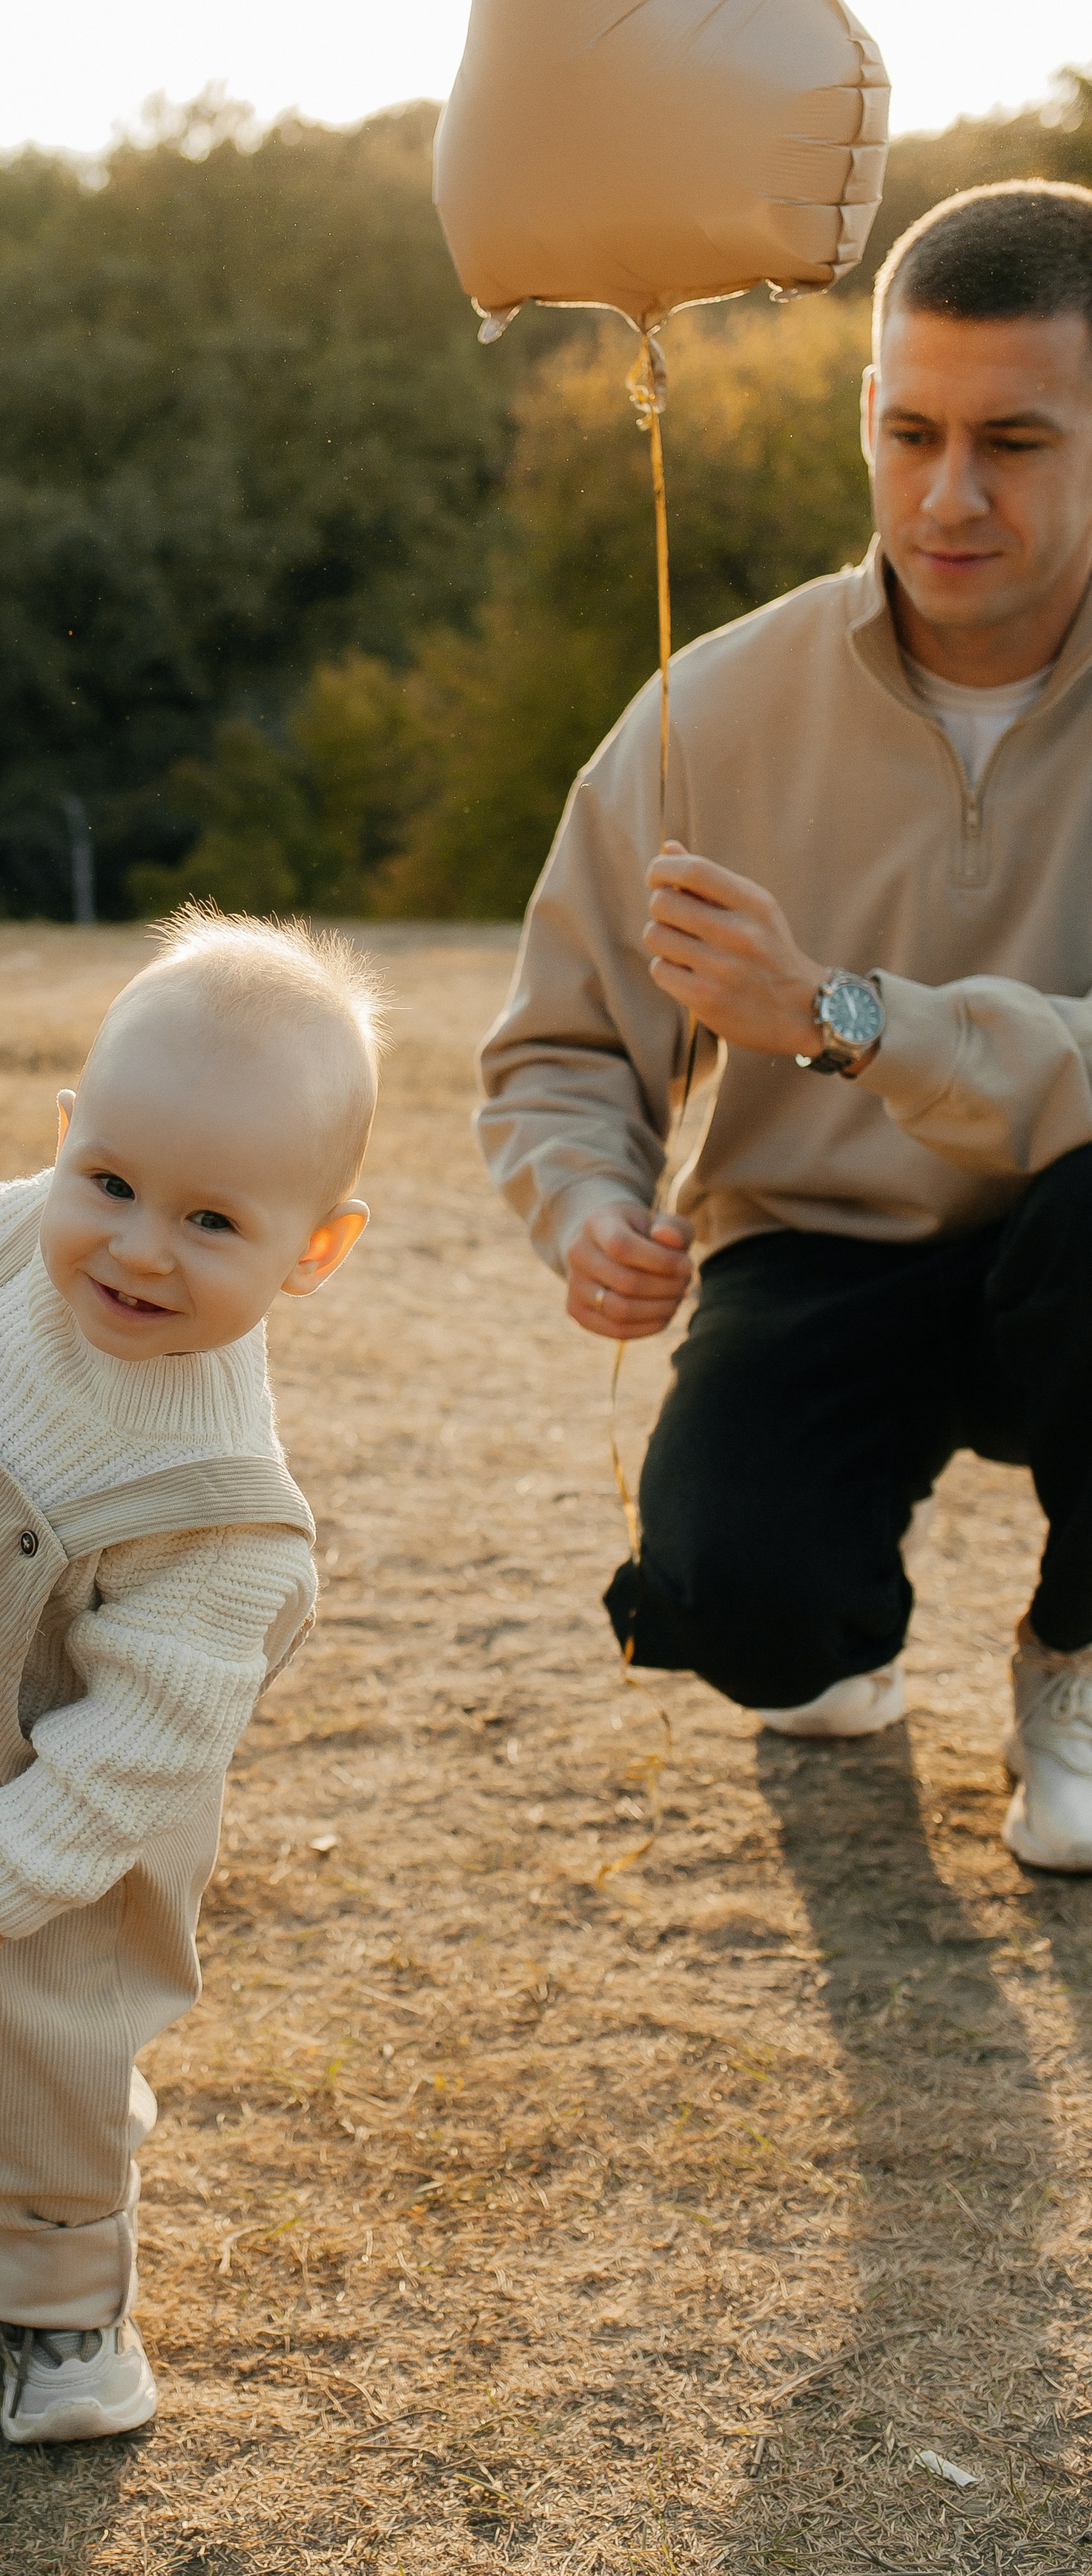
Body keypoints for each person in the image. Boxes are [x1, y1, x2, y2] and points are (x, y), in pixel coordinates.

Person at [478, 179, 1092, 1869]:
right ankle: (834, 1622)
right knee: (742, 1610)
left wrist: (839, 1017)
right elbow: (558, 1052)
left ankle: (1078, 1649)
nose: (945, 495)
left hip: (1083, 1239)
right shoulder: (712, 707)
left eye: (1016, 443)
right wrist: (587, 1203)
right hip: (815, 1252)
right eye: (908, 432)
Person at [0, 911, 379, 2443]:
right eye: (107, 1183)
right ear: (66, 1146)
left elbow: (135, 1756)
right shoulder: (5, 1252)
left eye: (210, 1223)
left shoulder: (215, 1503)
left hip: (53, 1822)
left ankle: (63, 2308)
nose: (134, 1246)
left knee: (32, 2025)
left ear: (313, 1249)